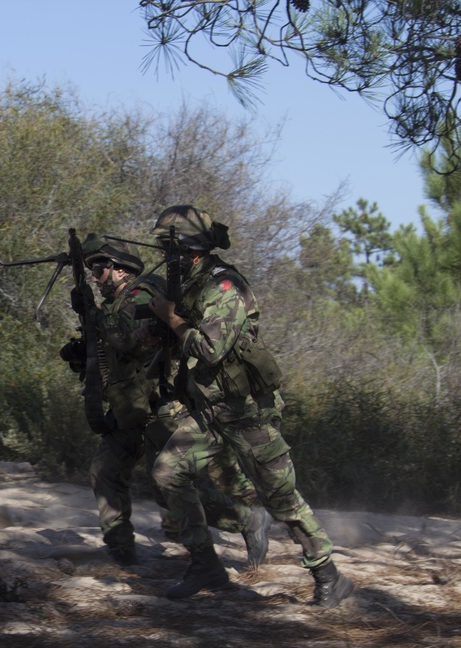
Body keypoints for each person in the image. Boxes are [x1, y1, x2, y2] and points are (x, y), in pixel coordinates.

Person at [146, 205, 354, 607]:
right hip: (208, 411)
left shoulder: (225, 287)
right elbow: (177, 338)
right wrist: (155, 326)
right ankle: (206, 565)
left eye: (170, 249)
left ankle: (328, 573)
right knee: (167, 473)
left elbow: (209, 347)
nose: (164, 257)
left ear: (191, 251)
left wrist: (171, 318)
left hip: (246, 413)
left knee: (281, 499)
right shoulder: (189, 286)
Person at [67, 234, 271, 569]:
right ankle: (121, 550)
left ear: (119, 269)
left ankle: (246, 519)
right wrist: (83, 347)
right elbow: (109, 355)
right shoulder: (112, 305)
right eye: (91, 267)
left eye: (99, 267)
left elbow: (132, 341)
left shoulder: (141, 294)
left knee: (169, 486)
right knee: (104, 471)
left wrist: (93, 316)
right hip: (128, 410)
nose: (94, 274)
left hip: (158, 409)